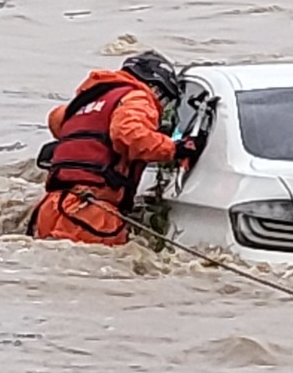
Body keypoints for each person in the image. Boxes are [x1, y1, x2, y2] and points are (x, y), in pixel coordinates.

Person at [28, 50, 201, 246]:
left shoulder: (85, 103)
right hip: (92, 214)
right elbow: (129, 135)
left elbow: (59, 123)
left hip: (50, 209)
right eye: (164, 100)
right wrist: (175, 148)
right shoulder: (137, 97)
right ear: (155, 87)